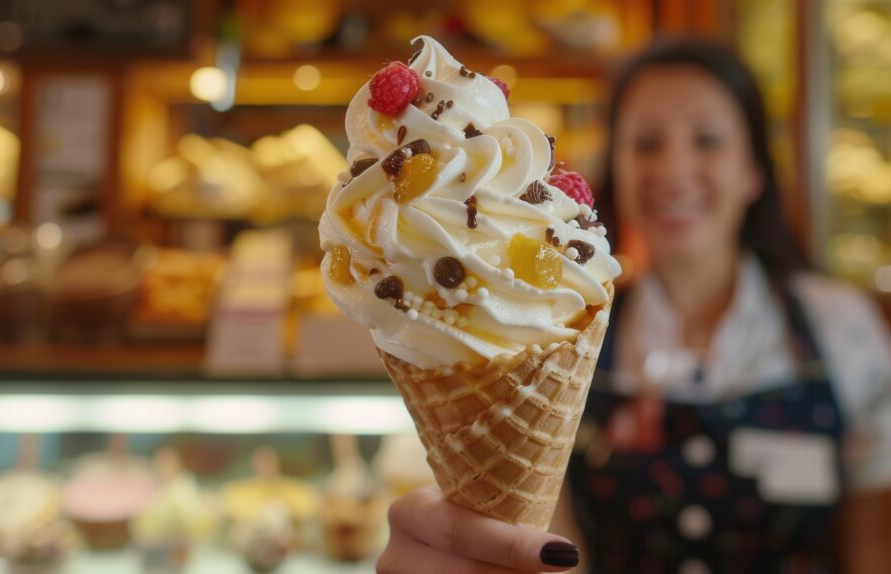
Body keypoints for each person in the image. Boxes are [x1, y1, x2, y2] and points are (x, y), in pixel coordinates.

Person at [377, 38, 891, 574]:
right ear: (615, 169)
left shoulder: (842, 330)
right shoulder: (564, 331)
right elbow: (557, 545)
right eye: (646, 144)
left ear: (754, 170)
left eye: (708, 141)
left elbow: (873, 550)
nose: (673, 168)